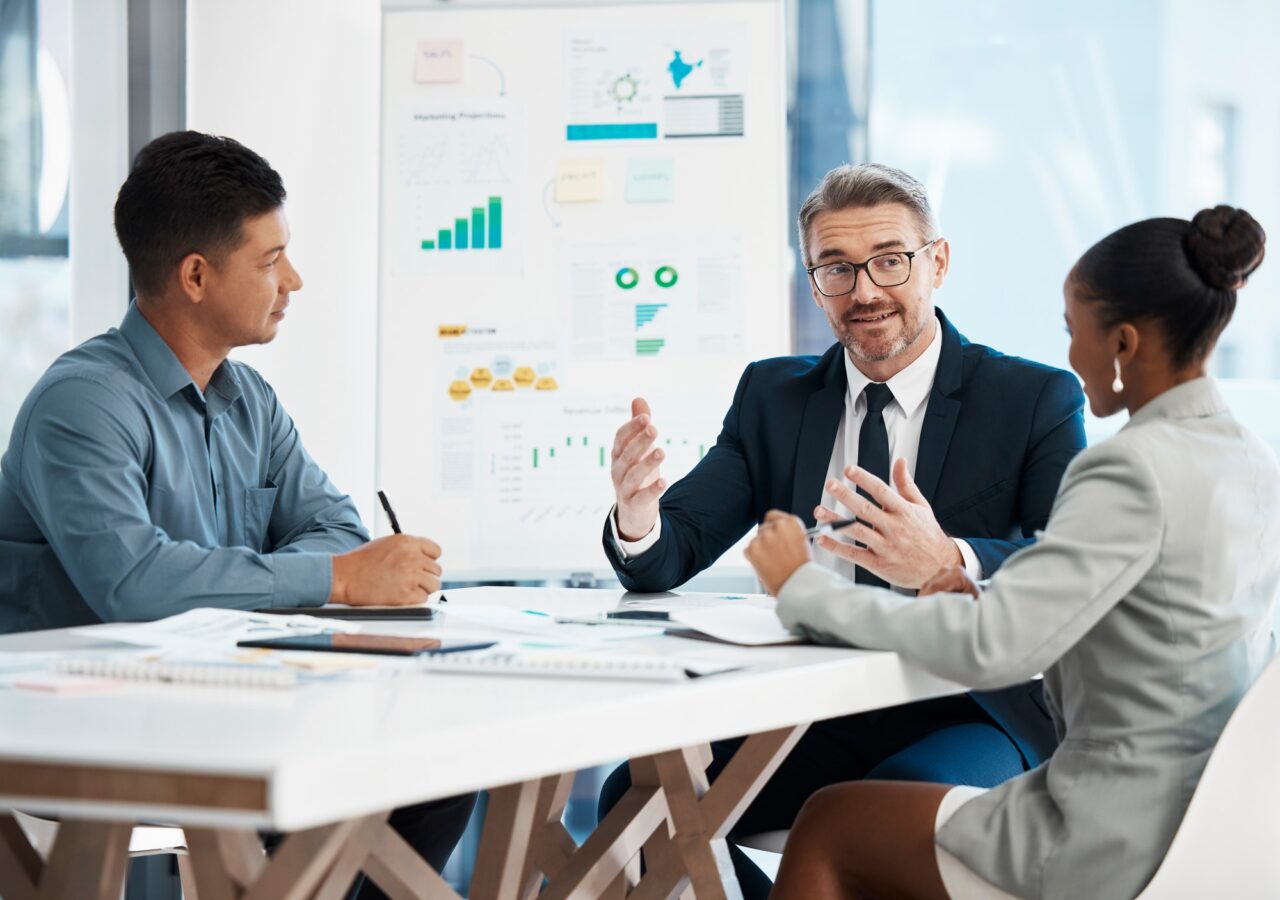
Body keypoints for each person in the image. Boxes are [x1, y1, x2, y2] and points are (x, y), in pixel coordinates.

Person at [747, 206, 1276, 900]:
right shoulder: (1247, 459)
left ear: (1122, 342)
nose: (1070, 355)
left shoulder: (1131, 469)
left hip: (1112, 830)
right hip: (1220, 819)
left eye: (1072, 331)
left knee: (828, 823)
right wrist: (984, 594)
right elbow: (1151, 617)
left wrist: (802, 589)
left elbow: (995, 651)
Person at [0, 131, 474, 898]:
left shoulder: (248, 399)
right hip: (93, 732)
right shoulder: (81, 405)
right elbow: (137, 583)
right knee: (347, 787)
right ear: (195, 275)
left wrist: (326, 568)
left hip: (222, 711)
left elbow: (337, 527)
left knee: (436, 772)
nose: (294, 278)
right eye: (269, 259)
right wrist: (337, 581)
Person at [599, 164, 1086, 895]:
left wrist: (949, 557)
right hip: (809, 708)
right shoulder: (774, 396)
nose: (864, 291)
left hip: (966, 707)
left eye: (890, 260)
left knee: (873, 816)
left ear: (938, 263)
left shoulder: (1031, 397)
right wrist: (637, 518)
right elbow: (671, 550)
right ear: (814, 279)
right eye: (836, 268)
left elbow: (1068, 563)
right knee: (636, 802)